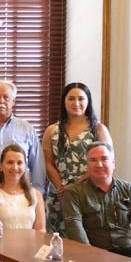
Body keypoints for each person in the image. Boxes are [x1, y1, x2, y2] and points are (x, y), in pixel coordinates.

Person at [43, 81, 113, 232]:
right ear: (64, 101)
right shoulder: (52, 130)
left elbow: (108, 162)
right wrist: (61, 188)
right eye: (71, 98)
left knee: (88, 238)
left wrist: (75, 187)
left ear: (88, 101)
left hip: (89, 192)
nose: (76, 103)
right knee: (58, 238)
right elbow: (48, 162)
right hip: (59, 195)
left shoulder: (98, 129)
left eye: (81, 99)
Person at [0, 144, 45, 232]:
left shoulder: (36, 195)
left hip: (30, 241)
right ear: (1, 166)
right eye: (10, 162)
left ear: (25, 167)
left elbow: (41, 230)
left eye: (19, 163)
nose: (15, 167)